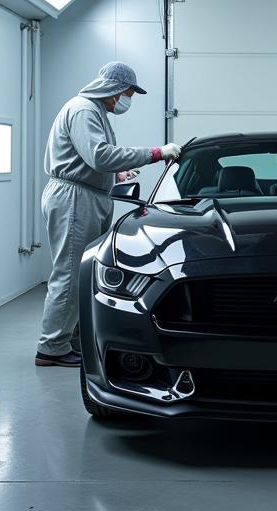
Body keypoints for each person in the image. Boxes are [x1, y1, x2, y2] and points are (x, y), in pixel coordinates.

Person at [36, 61, 180, 367]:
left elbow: (88, 158)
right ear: (114, 88)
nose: (129, 98)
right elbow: (99, 155)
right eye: (128, 92)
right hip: (75, 198)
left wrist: (116, 174)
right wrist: (155, 153)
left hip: (87, 194)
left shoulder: (94, 111)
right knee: (72, 273)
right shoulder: (85, 110)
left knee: (81, 273)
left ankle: (69, 338)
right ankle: (51, 347)